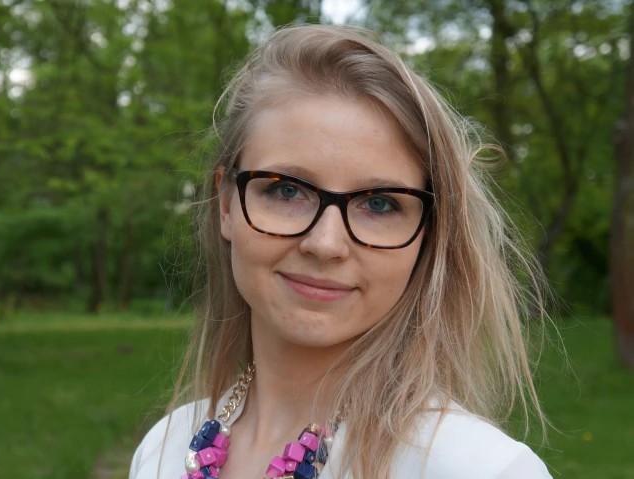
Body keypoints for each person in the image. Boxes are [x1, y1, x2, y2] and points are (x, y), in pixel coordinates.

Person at [129, 24, 555, 479]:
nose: (325, 244)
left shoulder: (476, 468)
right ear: (228, 203)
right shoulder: (166, 448)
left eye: (379, 203)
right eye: (287, 190)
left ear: (427, 234)